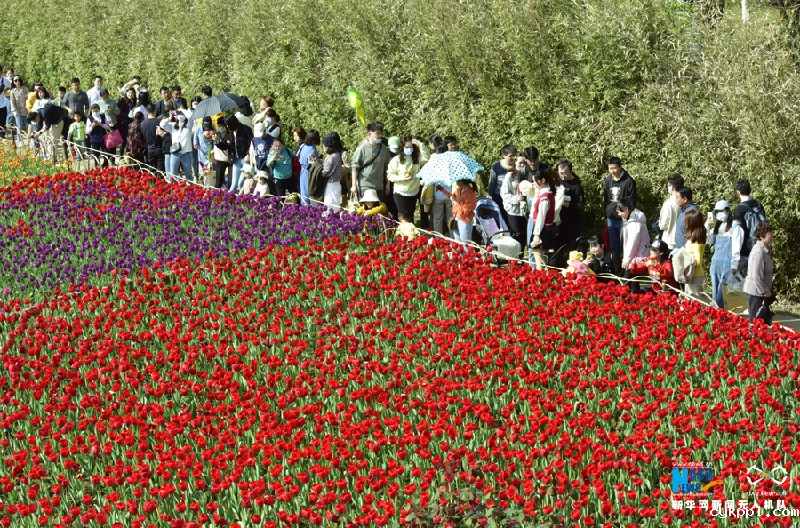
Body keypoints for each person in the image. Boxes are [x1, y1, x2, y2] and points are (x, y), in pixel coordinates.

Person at [603, 156, 637, 269]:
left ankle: (626, 270)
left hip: (624, 218)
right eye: (610, 168)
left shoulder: (628, 181)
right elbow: (606, 198)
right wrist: (606, 213)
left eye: (615, 168)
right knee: (614, 246)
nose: (613, 171)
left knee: (626, 245)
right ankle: (616, 270)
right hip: (611, 218)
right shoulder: (608, 180)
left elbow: (632, 200)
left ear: (620, 167)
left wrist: (628, 215)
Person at [731, 179, 767, 277]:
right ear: (750, 190)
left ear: (738, 192)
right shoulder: (759, 205)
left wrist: (734, 260)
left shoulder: (739, 209)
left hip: (745, 251)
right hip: (759, 247)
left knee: (738, 282)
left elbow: (738, 234)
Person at [743, 222, 775, 325]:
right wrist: (765, 291)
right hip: (756, 292)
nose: (772, 235)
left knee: (762, 323)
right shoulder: (759, 252)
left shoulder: (765, 249)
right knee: (755, 322)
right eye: (769, 233)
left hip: (761, 292)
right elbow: (756, 275)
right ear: (761, 235)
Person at [351, 121, 391, 203]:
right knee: (364, 212)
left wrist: (388, 183)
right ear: (370, 134)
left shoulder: (384, 149)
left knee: (378, 212)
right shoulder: (362, 148)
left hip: (379, 186)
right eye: (377, 133)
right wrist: (354, 185)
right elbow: (355, 167)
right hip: (364, 185)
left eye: (381, 133)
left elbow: (387, 167)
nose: (379, 136)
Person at [704, 200, 734, 309]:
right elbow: (709, 241)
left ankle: (723, 315)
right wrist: (707, 226)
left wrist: (735, 264)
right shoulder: (718, 227)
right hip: (716, 262)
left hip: (728, 263)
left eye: (721, 211)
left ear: (727, 210)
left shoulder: (734, 226)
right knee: (715, 291)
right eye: (717, 212)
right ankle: (716, 314)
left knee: (723, 292)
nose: (719, 214)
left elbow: (737, 246)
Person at [500, 155, 530, 258]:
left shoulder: (528, 175)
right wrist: (517, 198)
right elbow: (504, 194)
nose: (522, 165)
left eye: (524, 163)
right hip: (514, 210)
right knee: (516, 234)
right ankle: (515, 258)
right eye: (520, 163)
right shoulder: (509, 176)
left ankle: (521, 258)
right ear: (515, 163)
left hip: (526, 211)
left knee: (525, 235)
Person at [529, 169, 558, 271]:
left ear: (542, 180)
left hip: (541, 229)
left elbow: (541, 217)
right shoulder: (547, 194)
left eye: (534, 181)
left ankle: (540, 280)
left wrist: (536, 234)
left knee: (539, 262)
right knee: (541, 259)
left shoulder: (545, 198)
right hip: (544, 228)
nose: (533, 183)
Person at [387, 136, 421, 220]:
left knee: (411, 216)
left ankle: (411, 232)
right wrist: (402, 177)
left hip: (413, 191)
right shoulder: (396, 160)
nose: (409, 149)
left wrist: (421, 144)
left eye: (411, 147)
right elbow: (390, 176)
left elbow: (426, 157)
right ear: (402, 148)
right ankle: (403, 232)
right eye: (406, 147)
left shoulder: (417, 158)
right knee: (403, 217)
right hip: (401, 192)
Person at [437, 178, 477, 244]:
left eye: (457, 180)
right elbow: (452, 196)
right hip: (456, 219)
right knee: (458, 244)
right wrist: (442, 190)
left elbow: (465, 212)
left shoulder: (471, 194)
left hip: (465, 221)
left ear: (461, 181)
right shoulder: (459, 190)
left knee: (466, 244)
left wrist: (456, 203)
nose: (455, 182)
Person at [556, 159, 585, 251]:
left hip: (572, 221)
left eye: (565, 173)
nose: (563, 176)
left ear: (571, 171)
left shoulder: (577, 186)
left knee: (572, 246)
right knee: (559, 245)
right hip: (559, 219)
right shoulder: (558, 181)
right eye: (560, 173)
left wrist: (561, 201)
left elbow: (578, 206)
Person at [615, 200, 650, 271]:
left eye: (619, 212)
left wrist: (627, 259)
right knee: (633, 280)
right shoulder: (633, 220)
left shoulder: (635, 223)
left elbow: (633, 242)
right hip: (636, 256)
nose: (618, 214)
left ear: (626, 209)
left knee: (627, 279)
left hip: (637, 258)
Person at [488, 144, 517, 225]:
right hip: (498, 197)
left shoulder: (518, 165)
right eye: (511, 156)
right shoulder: (496, 166)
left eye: (515, 155)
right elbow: (492, 182)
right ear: (504, 155)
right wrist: (490, 195)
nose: (514, 158)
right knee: (501, 218)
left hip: (513, 198)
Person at [225, 115, 254, 192]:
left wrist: (248, 154)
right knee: (234, 183)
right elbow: (225, 145)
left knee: (241, 182)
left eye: (228, 125)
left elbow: (253, 142)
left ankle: (241, 198)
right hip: (235, 159)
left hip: (245, 159)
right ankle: (228, 198)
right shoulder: (230, 133)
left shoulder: (245, 129)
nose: (227, 127)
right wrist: (218, 141)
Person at [683, 209, 707, 296]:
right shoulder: (694, 238)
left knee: (695, 300)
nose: (684, 223)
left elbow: (698, 261)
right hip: (691, 274)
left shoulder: (696, 241)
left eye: (686, 221)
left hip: (694, 274)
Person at [658, 173, 684, 249]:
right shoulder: (686, 201)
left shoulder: (668, 203)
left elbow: (662, 225)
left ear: (672, 187)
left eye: (668, 185)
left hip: (669, 240)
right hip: (683, 239)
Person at [320, 132, 344, 209]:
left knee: (330, 208)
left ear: (329, 147)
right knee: (333, 207)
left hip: (332, 185)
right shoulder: (336, 154)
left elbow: (325, 173)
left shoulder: (332, 158)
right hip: (335, 185)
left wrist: (315, 169)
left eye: (324, 146)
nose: (323, 148)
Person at [168, 111, 194, 182]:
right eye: (177, 116)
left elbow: (191, 116)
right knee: (173, 175)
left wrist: (183, 111)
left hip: (186, 153)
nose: (179, 117)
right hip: (175, 153)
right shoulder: (173, 126)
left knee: (188, 174)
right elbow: (162, 124)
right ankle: (173, 190)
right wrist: (170, 117)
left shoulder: (188, 126)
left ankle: (192, 189)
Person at [297, 129, 320, 204]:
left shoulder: (304, 146)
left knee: (304, 194)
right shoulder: (312, 150)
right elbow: (312, 166)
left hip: (302, 172)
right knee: (308, 194)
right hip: (308, 174)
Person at [141, 105, 165, 173]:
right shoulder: (159, 122)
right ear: (155, 111)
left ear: (146, 112)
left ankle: (152, 183)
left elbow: (143, 137)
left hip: (150, 149)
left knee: (151, 170)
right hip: (159, 148)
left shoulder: (143, 124)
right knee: (160, 170)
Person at [212, 119, 232, 189]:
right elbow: (214, 146)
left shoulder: (230, 135)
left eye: (222, 125)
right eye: (219, 126)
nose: (220, 127)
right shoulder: (216, 134)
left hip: (229, 159)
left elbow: (225, 147)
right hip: (220, 160)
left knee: (230, 182)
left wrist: (219, 142)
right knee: (218, 182)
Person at [9, 75, 29, 142]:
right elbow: (12, 101)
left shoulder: (25, 88)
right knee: (19, 127)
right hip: (18, 111)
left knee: (27, 127)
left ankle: (29, 140)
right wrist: (14, 111)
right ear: (13, 82)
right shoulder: (12, 91)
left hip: (26, 111)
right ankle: (20, 141)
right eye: (15, 80)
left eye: (18, 80)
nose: (17, 81)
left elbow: (28, 99)